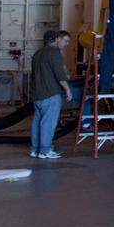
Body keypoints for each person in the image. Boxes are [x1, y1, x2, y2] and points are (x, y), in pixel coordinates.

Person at [31, 30, 73, 159]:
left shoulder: (37, 53)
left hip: (37, 94)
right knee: (48, 123)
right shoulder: (54, 52)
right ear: (56, 39)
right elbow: (59, 74)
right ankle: (45, 150)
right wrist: (68, 90)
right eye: (65, 41)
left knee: (37, 123)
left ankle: (35, 149)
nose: (66, 44)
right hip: (51, 94)